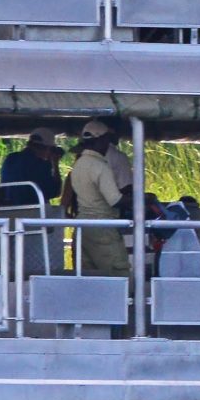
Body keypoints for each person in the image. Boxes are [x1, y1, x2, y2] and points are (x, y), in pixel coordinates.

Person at [65, 120, 129, 283]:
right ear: (101, 140)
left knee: (88, 280)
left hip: (81, 229)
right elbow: (115, 200)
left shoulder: (78, 164)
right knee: (118, 278)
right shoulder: (100, 166)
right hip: (103, 229)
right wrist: (140, 199)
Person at [0, 127, 63, 206]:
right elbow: (55, 192)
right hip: (32, 210)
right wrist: (55, 163)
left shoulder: (10, 158)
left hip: (8, 208)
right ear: (47, 148)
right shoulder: (41, 164)